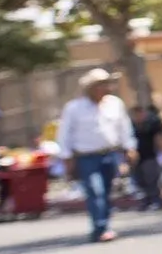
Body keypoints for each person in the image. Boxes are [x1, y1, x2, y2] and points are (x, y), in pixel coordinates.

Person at [57, 69, 137, 243]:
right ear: (90, 87)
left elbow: (124, 128)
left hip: (110, 153)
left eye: (107, 84)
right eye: (101, 85)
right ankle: (100, 227)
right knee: (95, 190)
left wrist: (129, 147)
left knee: (107, 191)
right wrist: (66, 157)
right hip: (86, 156)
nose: (105, 88)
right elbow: (64, 134)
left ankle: (103, 224)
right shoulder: (74, 108)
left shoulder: (115, 104)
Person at [130, 104, 162, 210]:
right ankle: (146, 201)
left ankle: (156, 200)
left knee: (151, 178)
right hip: (136, 156)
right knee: (140, 179)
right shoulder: (130, 125)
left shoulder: (152, 123)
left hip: (150, 155)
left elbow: (159, 137)